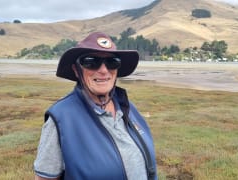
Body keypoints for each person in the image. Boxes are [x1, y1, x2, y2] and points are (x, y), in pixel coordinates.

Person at [33, 32, 157, 180]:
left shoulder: (128, 108)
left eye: (112, 62)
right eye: (91, 62)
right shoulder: (61, 118)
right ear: (76, 70)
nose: (104, 70)